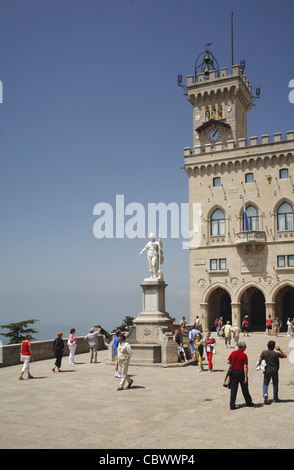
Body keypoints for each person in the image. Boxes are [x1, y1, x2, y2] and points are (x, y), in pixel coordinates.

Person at [227, 342, 253, 410]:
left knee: (233, 390)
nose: (246, 348)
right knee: (245, 389)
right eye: (245, 346)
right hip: (241, 372)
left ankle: (232, 405)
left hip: (234, 372)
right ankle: (248, 402)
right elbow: (245, 366)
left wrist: (233, 362)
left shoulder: (233, 353)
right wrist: (246, 376)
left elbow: (228, 361)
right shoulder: (244, 355)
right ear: (242, 347)